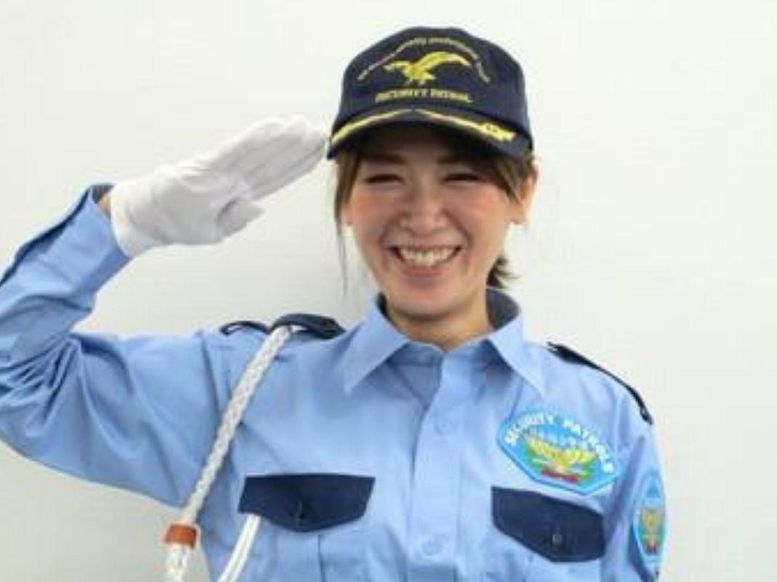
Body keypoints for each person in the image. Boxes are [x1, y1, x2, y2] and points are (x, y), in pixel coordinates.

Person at [0, 26, 666, 581]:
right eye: (385, 177)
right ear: (346, 199)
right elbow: (17, 380)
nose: (423, 215)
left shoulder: (603, 420)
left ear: (523, 193)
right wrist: (124, 224)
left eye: (462, 176)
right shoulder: (243, 389)